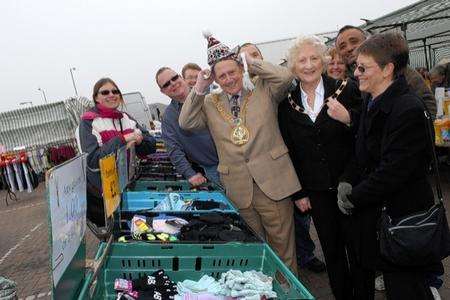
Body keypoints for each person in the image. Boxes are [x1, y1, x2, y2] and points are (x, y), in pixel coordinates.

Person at [179, 32, 301, 274]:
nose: (228, 79)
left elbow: (286, 77)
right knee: (255, 248)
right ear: (215, 78)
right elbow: (186, 123)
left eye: (232, 72)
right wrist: (200, 88)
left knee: (283, 249)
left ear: (240, 69)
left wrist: (251, 62)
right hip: (239, 188)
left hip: (272, 182)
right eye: (221, 75)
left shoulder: (263, 88)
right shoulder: (210, 102)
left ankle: (288, 290)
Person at [337, 32, 440, 300]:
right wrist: (348, 178)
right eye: (356, 66)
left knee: (408, 288)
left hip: (402, 219)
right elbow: (361, 150)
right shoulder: (372, 100)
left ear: (387, 69)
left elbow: (393, 172)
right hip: (381, 215)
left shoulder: (407, 109)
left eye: (363, 67)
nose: (356, 72)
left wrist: (354, 196)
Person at [278, 35, 361, 299]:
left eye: (314, 58)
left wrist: (349, 118)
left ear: (324, 60)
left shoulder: (347, 89)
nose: (309, 65)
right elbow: (289, 151)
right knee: (333, 252)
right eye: (302, 60)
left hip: (352, 186)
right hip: (316, 191)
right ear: (293, 67)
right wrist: (299, 192)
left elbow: (369, 134)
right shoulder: (287, 104)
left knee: (360, 251)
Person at [238, 42, 326, 273]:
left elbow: (286, 77)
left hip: (293, 159)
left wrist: (252, 63)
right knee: (287, 225)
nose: (251, 60)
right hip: (273, 165)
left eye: (256, 55)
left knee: (300, 223)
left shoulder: (271, 82)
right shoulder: (246, 88)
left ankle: (305, 254)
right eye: (246, 58)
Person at [79, 78, 156, 228]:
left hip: (128, 188)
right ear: (96, 97)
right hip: (103, 197)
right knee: (113, 235)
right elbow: (94, 160)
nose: (111, 95)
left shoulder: (126, 118)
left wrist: (140, 142)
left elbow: (151, 145)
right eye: (105, 92)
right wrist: (122, 139)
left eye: (115, 91)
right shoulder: (88, 122)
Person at [335, 25, 437, 119]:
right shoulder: (343, 80)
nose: (349, 48)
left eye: (354, 41)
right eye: (342, 46)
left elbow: (428, 102)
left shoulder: (393, 66)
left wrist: (414, 129)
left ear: (367, 42)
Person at [157, 67, 220, 185]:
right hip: (214, 169)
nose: (173, 83)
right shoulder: (168, 118)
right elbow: (174, 149)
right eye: (166, 84)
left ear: (181, 77)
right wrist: (190, 174)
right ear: (163, 91)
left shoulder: (212, 92)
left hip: (238, 159)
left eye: (174, 78)